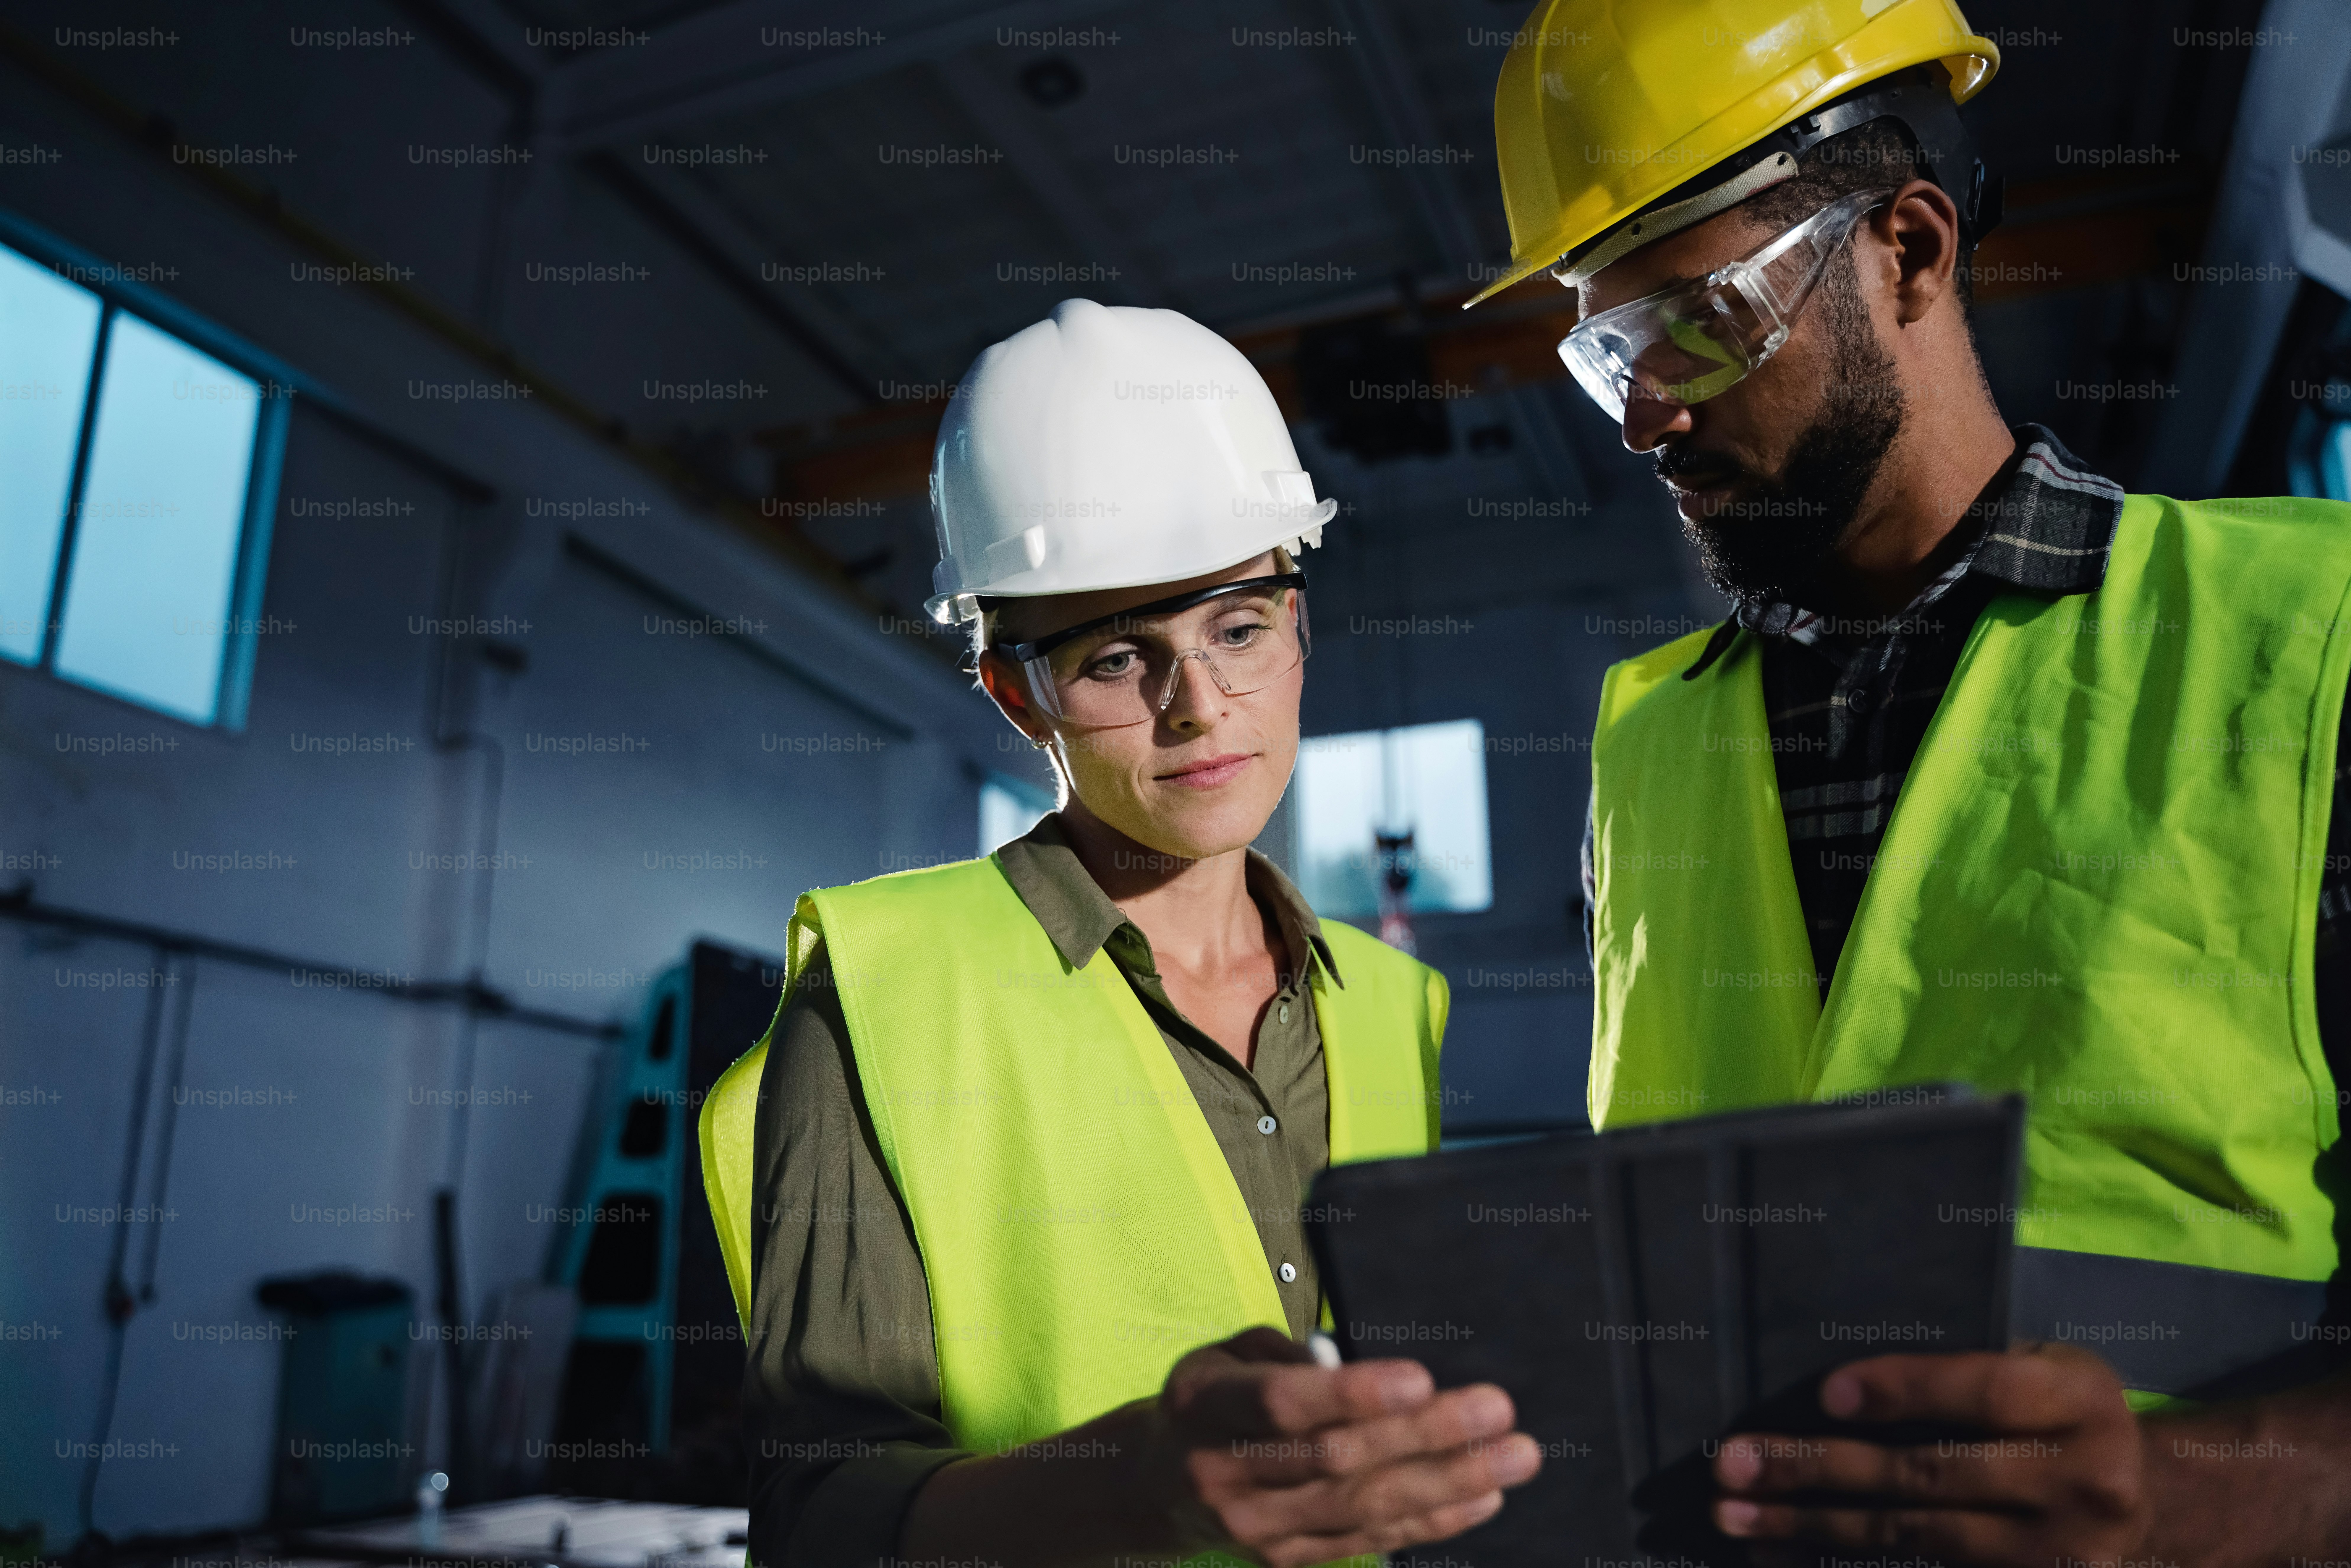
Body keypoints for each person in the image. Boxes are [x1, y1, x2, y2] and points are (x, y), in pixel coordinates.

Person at [1462, 1, 2351, 1561]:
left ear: (1913, 251)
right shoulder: (1643, 744)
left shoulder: (2307, 635)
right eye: (1609, 352)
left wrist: (2197, 1490)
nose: (1653, 409)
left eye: (1700, 314)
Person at [696, 299, 1541, 1565]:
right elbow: (818, 1520)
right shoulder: (882, 989)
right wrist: (1139, 1492)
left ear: (1299, 625)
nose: (1198, 708)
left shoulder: (1388, 1001)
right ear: (1015, 693)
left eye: (1238, 630)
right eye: (1113, 660)